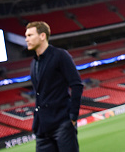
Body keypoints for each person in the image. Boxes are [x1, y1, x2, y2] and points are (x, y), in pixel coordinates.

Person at [25, 21, 83, 151]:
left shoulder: (60, 55)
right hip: (42, 128)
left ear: (42, 36)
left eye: (30, 35)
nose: (26, 39)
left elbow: (76, 85)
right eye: (26, 36)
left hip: (62, 123)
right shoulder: (34, 63)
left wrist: (73, 116)